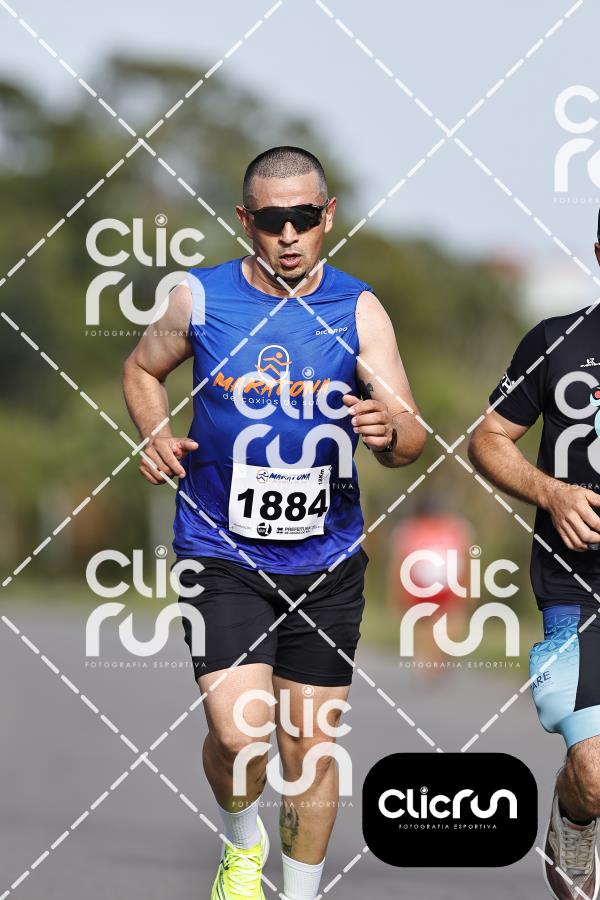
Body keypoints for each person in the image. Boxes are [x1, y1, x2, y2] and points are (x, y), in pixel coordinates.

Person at [123, 146, 425, 900]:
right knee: (238, 735)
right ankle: (241, 840)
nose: (288, 235)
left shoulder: (359, 310)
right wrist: (155, 432)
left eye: (303, 217)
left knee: (309, 748)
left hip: (327, 562)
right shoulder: (199, 298)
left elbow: (411, 436)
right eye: (270, 220)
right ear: (244, 220)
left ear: (328, 216)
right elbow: (141, 369)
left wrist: (389, 433)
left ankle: (300, 892)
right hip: (220, 551)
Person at [468, 214, 600, 900]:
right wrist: (551, 492)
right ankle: (575, 814)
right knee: (595, 773)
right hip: (578, 587)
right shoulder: (557, 341)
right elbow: (488, 438)